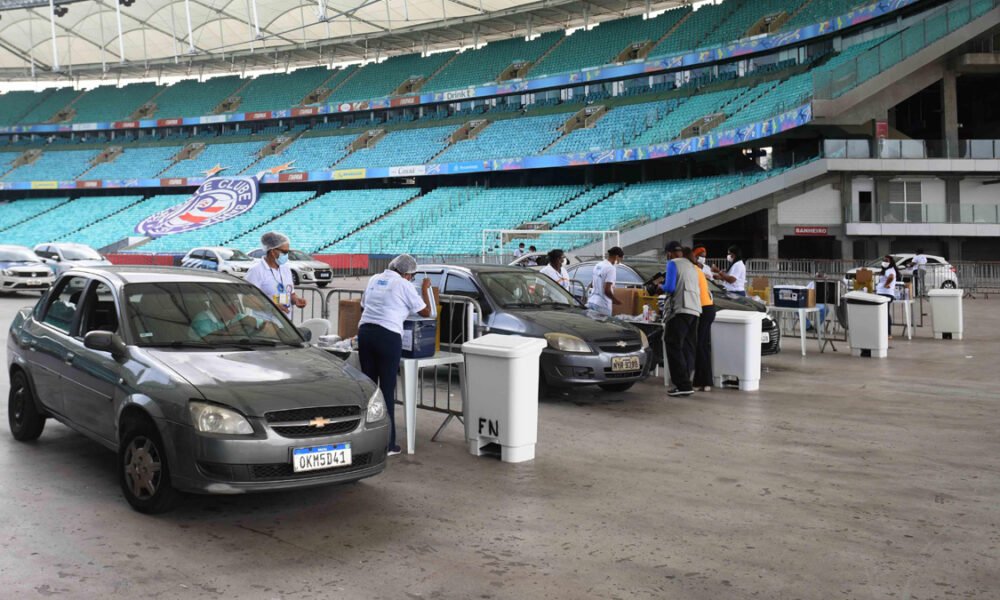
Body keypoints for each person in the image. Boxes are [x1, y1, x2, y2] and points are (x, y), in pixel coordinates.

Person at [358, 254, 433, 456]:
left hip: (365, 333)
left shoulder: (374, 278)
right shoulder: (403, 284)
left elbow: (363, 305)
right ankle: (388, 444)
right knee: (386, 389)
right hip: (387, 336)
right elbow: (426, 312)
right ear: (408, 274)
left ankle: (366, 440)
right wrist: (425, 289)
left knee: (369, 389)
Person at [661, 242, 702, 397]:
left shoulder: (673, 264)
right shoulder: (692, 266)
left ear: (669, 253)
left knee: (672, 344)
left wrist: (660, 286)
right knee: (688, 347)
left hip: (680, 310)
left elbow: (670, 288)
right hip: (695, 310)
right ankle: (687, 382)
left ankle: (682, 384)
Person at [245, 232, 308, 315]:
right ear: (272, 251)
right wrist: (271, 307)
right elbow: (247, 300)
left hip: (284, 323)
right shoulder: (256, 271)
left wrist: (296, 300)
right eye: (284, 252)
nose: (287, 255)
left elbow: (291, 293)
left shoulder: (285, 269)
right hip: (265, 323)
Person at [688, 248, 715, 392]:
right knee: (701, 346)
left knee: (701, 346)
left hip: (704, 309)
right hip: (706, 308)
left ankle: (704, 381)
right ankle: (701, 381)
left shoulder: (692, 270)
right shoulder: (696, 270)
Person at [586, 247, 624, 316]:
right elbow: (607, 290)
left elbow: (592, 284)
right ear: (617, 257)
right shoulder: (611, 268)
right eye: (620, 260)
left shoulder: (598, 265)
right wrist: (615, 300)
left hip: (592, 301)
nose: (619, 262)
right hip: (602, 305)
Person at [876, 254, 900, 339]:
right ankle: (884, 332)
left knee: (885, 313)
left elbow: (891, 277)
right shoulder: (886, 270)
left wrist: (886, 284)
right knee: (883, 312)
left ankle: (888, 333)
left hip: (886, 293)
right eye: (884, 260)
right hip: (882, 292)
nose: (884, 262)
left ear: (891, 262)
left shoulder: (890, 270)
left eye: (886, 261)